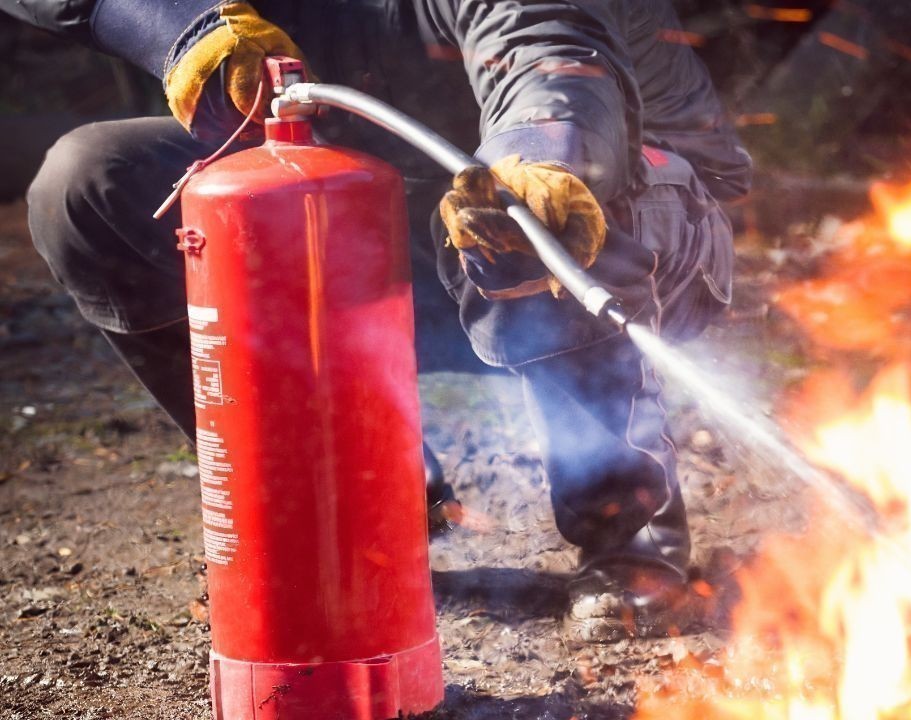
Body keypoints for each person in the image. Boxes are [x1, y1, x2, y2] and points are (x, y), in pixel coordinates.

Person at [3, 0, 751, 642]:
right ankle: (361, 505)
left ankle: (628, 539)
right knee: (87, 182)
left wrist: (537, 155)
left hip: (633, 208)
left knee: (526, 198)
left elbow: (550, 54)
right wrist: (179, 24)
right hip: (374, 214)